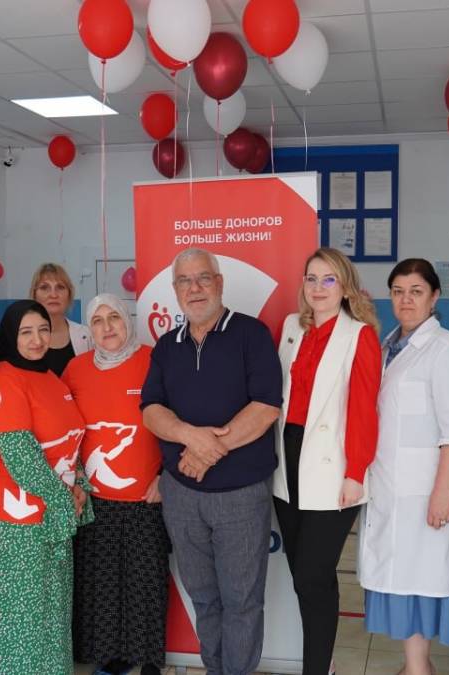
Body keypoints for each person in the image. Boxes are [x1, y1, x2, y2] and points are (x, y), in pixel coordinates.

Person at [140, 248, 282, 675]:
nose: (195, 288)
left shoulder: (251, 334)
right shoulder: (167, 346)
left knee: (241, 601)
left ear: (219, 283)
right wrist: (190, 436)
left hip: (240, 495)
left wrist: (206, 453)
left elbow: (265, 407)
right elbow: (151, 410)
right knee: (204, 597)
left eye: (203, 277)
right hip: (182, 496)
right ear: (175, 290)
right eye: (185, 281)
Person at [358, 259, 449, 675]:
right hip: (390, 487)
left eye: (416, 291)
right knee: (401, 583)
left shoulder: (448, 350)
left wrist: (442, 494)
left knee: (419, 584)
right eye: (398, 291)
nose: (406, 300)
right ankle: (416, 666)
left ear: (435, 297)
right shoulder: (387, 346)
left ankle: (417, 669)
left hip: (426, 492)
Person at [0, 300, 91, 674]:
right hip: (15, 523)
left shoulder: (53, 378)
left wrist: (79, 484)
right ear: (10, 336)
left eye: (43, 329)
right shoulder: (5, 379)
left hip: (53, 516)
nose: (37, 339)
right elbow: (20, 455)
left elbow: (72, 441)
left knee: (50, 613)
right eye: (26, 332)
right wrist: (64, 498)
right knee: (15, 618)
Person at [273, 248, 381, 675]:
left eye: (329, 279)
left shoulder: (360, 335)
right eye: (311, 278)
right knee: (304, 576)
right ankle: (324, 660)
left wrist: (355, 472)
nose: (318, 288)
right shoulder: (291, 328)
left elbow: (364, 410)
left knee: (313, 574)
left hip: (332, 466)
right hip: (287, 462)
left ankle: (316, 667)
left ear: (346, 286)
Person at [64, 294, 168, 675]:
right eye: (97, 320)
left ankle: (150, 662)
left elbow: (179, 418)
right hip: (94, 500)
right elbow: (64, 430)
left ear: (128, 320)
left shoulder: (154, 361)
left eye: (114, 318)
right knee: (103, 588)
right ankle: (110, 662)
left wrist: (167, 477)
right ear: (89, 329)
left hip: (146, 498)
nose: (107, 327)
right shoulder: (75, 370)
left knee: (146, 585)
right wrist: (74, 479)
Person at [30, 263, 93, 375]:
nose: (53, 295)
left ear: (69, 295)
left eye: (60, 287)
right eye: (44, 288)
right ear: (34, 295)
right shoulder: (22, 338)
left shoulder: (87, 335)